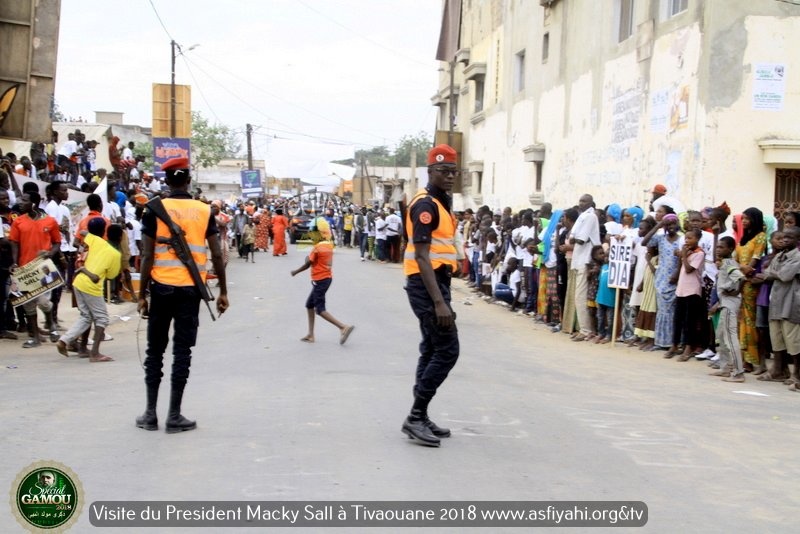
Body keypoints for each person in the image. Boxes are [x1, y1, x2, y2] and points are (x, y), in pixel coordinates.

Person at [136, 157, 229, 434]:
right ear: (189, 181)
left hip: (161, 288)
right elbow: (216, 254)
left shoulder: (155, 209)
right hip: (191, 291)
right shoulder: (204, 211)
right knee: (182, 352)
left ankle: (150, 414)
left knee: (155, 351)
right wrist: (223, 291)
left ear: (166, 181)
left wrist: (142, 295)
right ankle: (174, 415)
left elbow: (147, 255)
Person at [401, 144, 460, 448]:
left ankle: (420, 416)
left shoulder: (440, 202)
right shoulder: (425, 205)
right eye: (443, 171)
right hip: (426, 284)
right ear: (430, 171)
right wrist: (439, 302)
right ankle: (415, 415)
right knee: (448, 350)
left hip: (437, 281)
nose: (449, 176)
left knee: (430, 347)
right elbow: (422, 256)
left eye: (453, 171)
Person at [56, 218, 119, 362]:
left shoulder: (93, 241)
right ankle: (95, 353)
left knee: (86, 316)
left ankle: (64, 341)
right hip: (92, 285)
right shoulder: (113, 252)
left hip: (78, 281)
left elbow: (84, 232)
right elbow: (111, 275)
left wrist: (82, 231)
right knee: (102, 318)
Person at [8, 191, 62, 348]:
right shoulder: (18, 222)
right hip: (25, 269)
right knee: (28, 304)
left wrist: (50, 254)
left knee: (44, 302)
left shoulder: (50, 221)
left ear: (34, 204)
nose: (20, 203)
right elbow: (14, 242)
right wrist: (14, 262)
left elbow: (57, 242)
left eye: (24, 200)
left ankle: (51, 324)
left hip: (43, 268)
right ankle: (36, 337)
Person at [290, 217, 354, 344]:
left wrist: (295, 272)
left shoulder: (317, 248)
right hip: (326, 278)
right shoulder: (328, 245)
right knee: (309, 305)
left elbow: (308, 264)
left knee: (320, 309)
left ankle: (343, 327)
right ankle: (310, 334)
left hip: (320, 280)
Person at [708, 236, 746, 382]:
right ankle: (726, 368)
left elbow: (741, 278)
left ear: (730, 249)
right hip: (725, 303)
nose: (718, 250)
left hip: (730, 304)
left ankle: (738, 372)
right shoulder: (725, 263)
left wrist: (736, 292)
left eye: (721, 247)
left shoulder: (730, 263)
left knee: (730, 338)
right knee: (722, 335)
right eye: (717, 247)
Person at [569, 194, 601, 341]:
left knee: (581, 296)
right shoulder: (583, 216)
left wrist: (574, 238)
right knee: (581, 296)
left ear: (591, 203)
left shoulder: (590, 217)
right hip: (579, 259)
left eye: (584, 201)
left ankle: (586, 330)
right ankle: (585, 328)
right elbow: (572, 237)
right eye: (580, 200)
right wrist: (574, 238)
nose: (580, 203)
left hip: (586, 260)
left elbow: (579, 239)